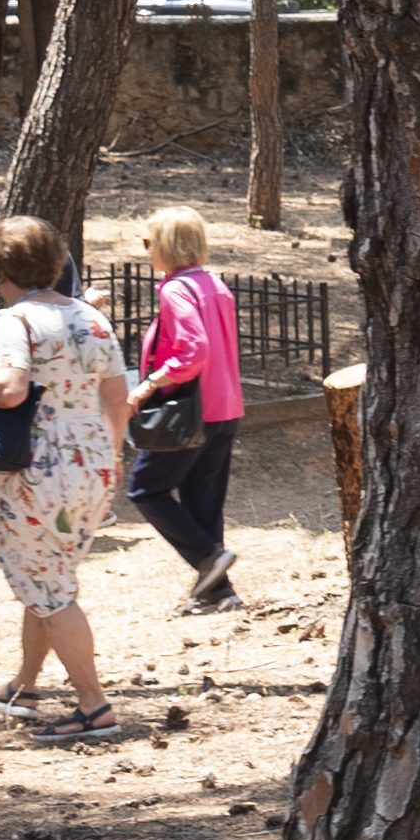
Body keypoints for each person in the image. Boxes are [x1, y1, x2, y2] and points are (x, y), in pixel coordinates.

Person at [0, 214, 136, 731]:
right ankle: (24, 688)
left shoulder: (14, 320)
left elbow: (10, 391)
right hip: (93, 465)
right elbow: (117, 397)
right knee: (50, 580)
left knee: (52, 591)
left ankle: (93, 706)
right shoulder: (92, 318)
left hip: (35, 470)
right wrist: (112, 459)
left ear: (2, 272)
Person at [129, 205, 246, 613]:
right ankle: (219, 592)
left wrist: (148, 384)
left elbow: (193, 351)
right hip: (226, 407)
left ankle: (208, 560)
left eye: (148, 243)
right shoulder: (215, 284)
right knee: (203, 501)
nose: (146, 252)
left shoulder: (175, 289)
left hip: (188, 410)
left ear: (167, 245)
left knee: (146, 489)